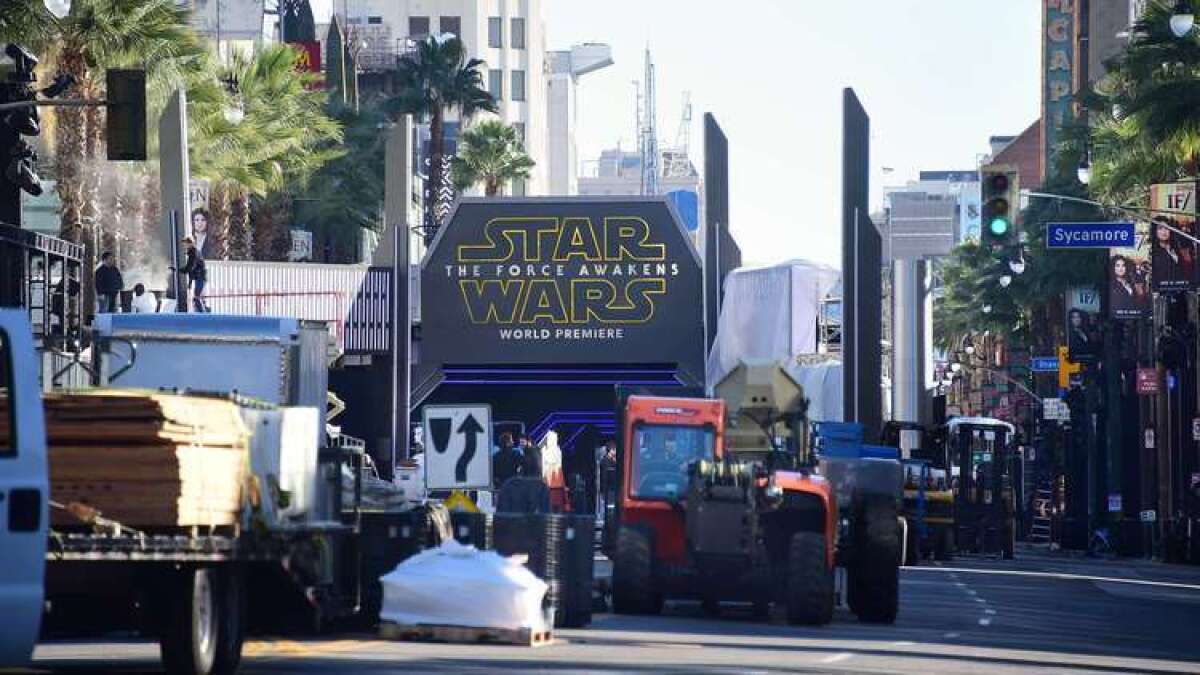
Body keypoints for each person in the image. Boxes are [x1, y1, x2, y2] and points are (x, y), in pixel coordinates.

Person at [1152, 219, 1192, 288]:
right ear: (1155, 231)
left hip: (1181, 288)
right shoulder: (1154, 253)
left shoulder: (1176, 249)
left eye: (1167, 228)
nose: (1164, 231)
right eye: (1160, 228)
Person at [179, 236, 209, 313]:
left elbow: (189, 267)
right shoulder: (193, 252)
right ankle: (202, 314)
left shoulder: (194, 252)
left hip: (200, 277)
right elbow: (191, 270)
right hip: (199, 277)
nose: (184, 245)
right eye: (184, 244)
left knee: (196, 298)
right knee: (196, 298)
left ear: (191, 243)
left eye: (186, 243)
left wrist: (177, 270)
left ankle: (203, 316)